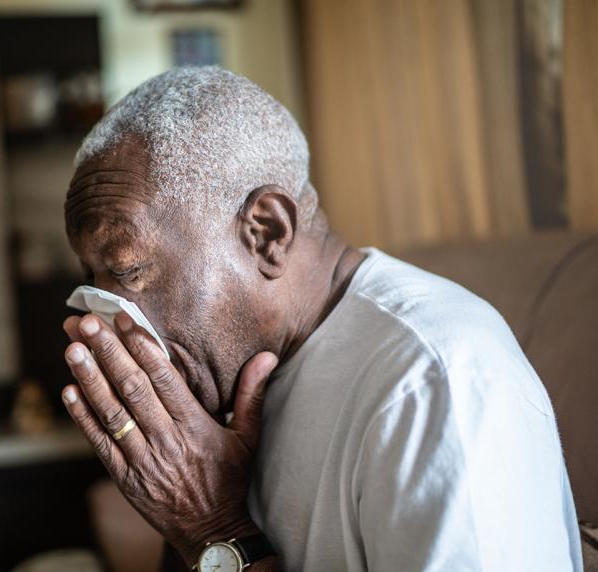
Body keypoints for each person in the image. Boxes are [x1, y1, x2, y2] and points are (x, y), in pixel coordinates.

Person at [59, 67, 582, 571]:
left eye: (128, 270)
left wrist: (212, 529)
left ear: (266, 233)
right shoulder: (239, 372)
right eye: (94, 280)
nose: (103, 321)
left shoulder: (435, 380)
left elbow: (211, 542)